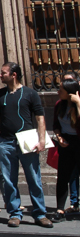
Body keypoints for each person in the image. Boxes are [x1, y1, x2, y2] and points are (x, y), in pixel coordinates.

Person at [0, 62, 52, 228]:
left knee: (34, 179)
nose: (0, 75)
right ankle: (15, 213)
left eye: (3, 73)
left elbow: (40, 118)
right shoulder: (0, 95)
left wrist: (42, 140)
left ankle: (40, 214)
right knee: (9, 180)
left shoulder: (30, 93)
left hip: (27, 141)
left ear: (14, 74)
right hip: (6, 142)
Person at [51, 75, 80, 222]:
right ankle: (60, 210)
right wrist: (59, 137)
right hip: (66, 143)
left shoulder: (77, 103)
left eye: (60, 89)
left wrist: (79, 104)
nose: (58, 91)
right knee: (63, 177)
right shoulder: (59, 105)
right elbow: (55, 125)